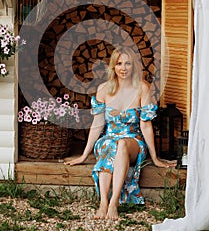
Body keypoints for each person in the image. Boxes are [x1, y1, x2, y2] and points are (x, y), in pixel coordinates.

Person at [65, 47, 176, 220]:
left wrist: (155, 158)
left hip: (133, 140)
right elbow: (97, 124)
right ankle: (103, 203)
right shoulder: (103, 90)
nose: (123, 68)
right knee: (110, 145)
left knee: (122, 144)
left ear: (134, 66)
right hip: (108, 139)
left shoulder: (142, 88)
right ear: (113, 66)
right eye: (119, 63)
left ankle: (114, 203)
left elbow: (145, 126)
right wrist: (84, 155)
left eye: (127, 63)